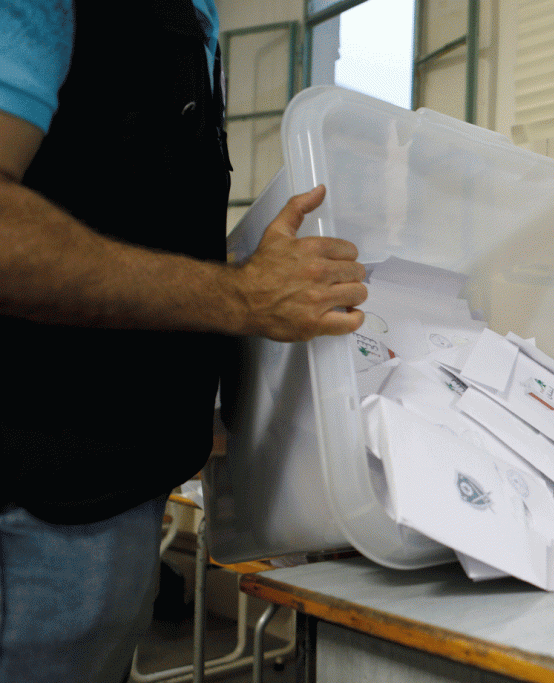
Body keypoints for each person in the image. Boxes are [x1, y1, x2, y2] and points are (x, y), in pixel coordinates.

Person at [0, 1, 366, 681]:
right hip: (36, 505)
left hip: (110, 497)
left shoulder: (185, 15)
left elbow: (115, 219)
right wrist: (243, 295)